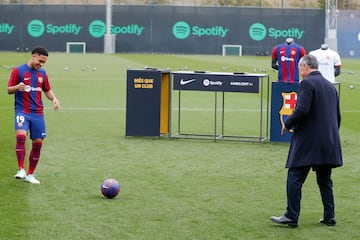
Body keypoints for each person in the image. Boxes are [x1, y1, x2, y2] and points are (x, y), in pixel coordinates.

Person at [270, 55, 343, 227]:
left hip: (310, 141)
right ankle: (329, 216)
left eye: (299, 68)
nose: (299, 72)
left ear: (304, 67)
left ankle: (291, 216)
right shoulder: (330, 87)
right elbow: (337, 117)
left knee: (294, 175)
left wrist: (287, 124)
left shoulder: (307, 84)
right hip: (329, 141)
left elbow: (301, 110)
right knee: (325, 180)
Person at [7, 46, 60, 184]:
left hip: (38, 114)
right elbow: (9, 89)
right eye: (40, 61)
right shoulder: (18, 70)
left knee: (38, 143)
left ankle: (30, 174)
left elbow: (47, 89)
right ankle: (21, 169)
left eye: (43, 62)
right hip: (22, 111)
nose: (41, 64)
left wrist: (54, 99)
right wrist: (16, 87)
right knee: (20, 136)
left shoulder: (42, 73)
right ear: (33, 56)